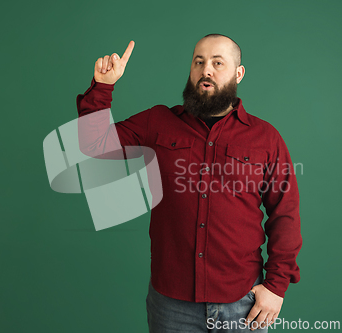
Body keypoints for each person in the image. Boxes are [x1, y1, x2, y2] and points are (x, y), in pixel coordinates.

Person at [76, 34, 302, 332]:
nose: (206, 70)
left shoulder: (265, 138)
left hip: (242, 303)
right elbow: (95, 145)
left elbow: (284, 214)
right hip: (172, 305)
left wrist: (275, 287)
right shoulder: (158, 122)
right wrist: (103, 86)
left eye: (217, 63)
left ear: (238, 73)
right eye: (199, 62)